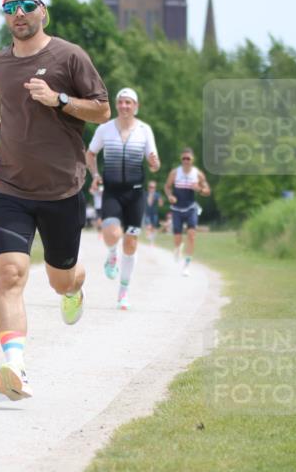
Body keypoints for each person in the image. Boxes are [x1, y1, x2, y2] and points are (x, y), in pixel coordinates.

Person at [0, 0, 110, 401]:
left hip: (61, 189)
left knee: (61, 280)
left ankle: (76, 289)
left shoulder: (70, 56)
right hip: (10, 184)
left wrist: (60, 101)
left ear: (42, 11)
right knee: (11, 274)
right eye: (10, 9)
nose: (19, 15)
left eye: (27, 7)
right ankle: (15, 365)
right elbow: (1, 98)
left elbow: (101, 110)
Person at [86, 88, 160, 310]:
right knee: (112, 234)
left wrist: (155, 163)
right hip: (112, 192)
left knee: (130, 243)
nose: (124, 106)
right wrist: (96, 175)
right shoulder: (104, 129)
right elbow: (90, 154)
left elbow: (154, 164)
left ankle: (123, 292)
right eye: (121, 102)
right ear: (116, 105)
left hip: (136, 194)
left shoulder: (145, 131)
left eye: (129, 102)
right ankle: (111, 254)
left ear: (135, 106)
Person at [164, 148, 211, 276]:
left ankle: (186, 265)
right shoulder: (174, 173)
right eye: (183, 158)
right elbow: (167, 187)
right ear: (181, 159)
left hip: (191, 208)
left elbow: (208, 191)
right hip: (176, 209)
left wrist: (199, 189)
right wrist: (169, 196)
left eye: (188, 158)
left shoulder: (198, 174)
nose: (186, 161)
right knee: (177, 239)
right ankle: (178, 247)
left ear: (192, 160)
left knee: (191, 235)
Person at [143, 180, 163, 245]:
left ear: (155, 188)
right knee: (148, 227)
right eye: (150, 187)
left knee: (153, 228)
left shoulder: (157, 195)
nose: (151, 188)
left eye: (153, 187)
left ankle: (152, 242)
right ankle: (149, 237)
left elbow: (160, 204)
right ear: (148, 187)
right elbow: (145, 203)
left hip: (154, 213)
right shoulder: (145, 194)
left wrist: (160, 201)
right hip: (147, 213)